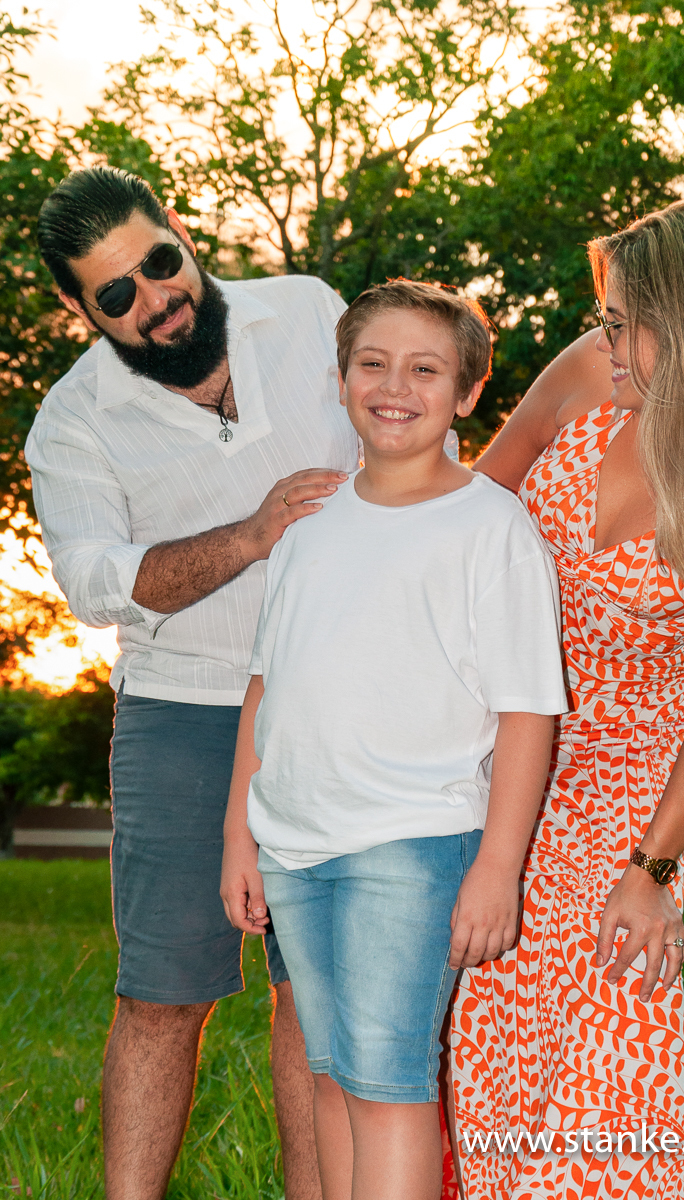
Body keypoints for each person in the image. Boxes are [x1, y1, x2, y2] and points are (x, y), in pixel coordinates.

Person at [449, 198, 684, 1198]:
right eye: (604, 319)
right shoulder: (589, 370)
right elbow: (475, 508)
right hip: (498, 741)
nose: (604, 342)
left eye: (624, 324)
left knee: (614, 1027)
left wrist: (650, 870)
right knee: (495, 1017)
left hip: (628, 773)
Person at [25, 165, 358, 1200]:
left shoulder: (308, 311)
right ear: (79, 307)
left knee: (315, 997)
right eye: (115, 293)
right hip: (183, 713)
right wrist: (251, 535)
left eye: (158, 263)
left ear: (177, 229)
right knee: (163, 995)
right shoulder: (72, 421)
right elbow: (95, 584)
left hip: (342, 703)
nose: (156, 299)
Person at [219, 279, 569, 1200]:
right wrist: (238, 836)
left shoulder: (491, 528)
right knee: (331, 1078)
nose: (394, 387)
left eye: (425, 370)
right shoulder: (309, 523)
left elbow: (528, 714)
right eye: (372, 364)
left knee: (387, 1085)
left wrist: (497, 868)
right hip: (294, 843)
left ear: (467, 393)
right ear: (340, 380)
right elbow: (265, 687)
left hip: (411, 842)